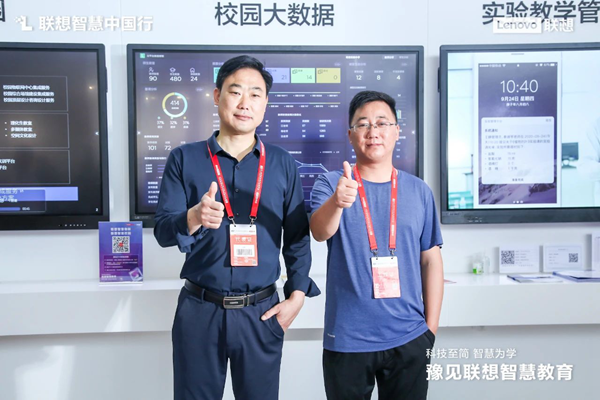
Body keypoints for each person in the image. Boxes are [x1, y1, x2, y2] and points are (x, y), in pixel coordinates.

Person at [154, 55, 320, 400]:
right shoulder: (184, 159)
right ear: (217, 96)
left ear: (265, 103)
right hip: (200, 310)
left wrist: (297, 297)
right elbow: (163, 232)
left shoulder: (282, 163)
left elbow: (297, 238)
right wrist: (194, 216)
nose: (245, 103)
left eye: (255, 94)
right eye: (235, 91)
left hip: (262, 312)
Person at [310, 90, 444, 400]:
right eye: (363, 124)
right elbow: (319, 231)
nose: (373, 132)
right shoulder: (331, 184)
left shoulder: (419, 191)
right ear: (350, 135)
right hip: (348, 339)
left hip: (410, 337)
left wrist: (430, 331)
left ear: (397, 131)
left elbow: (431, 261)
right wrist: (338, 202)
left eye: (382, 123)